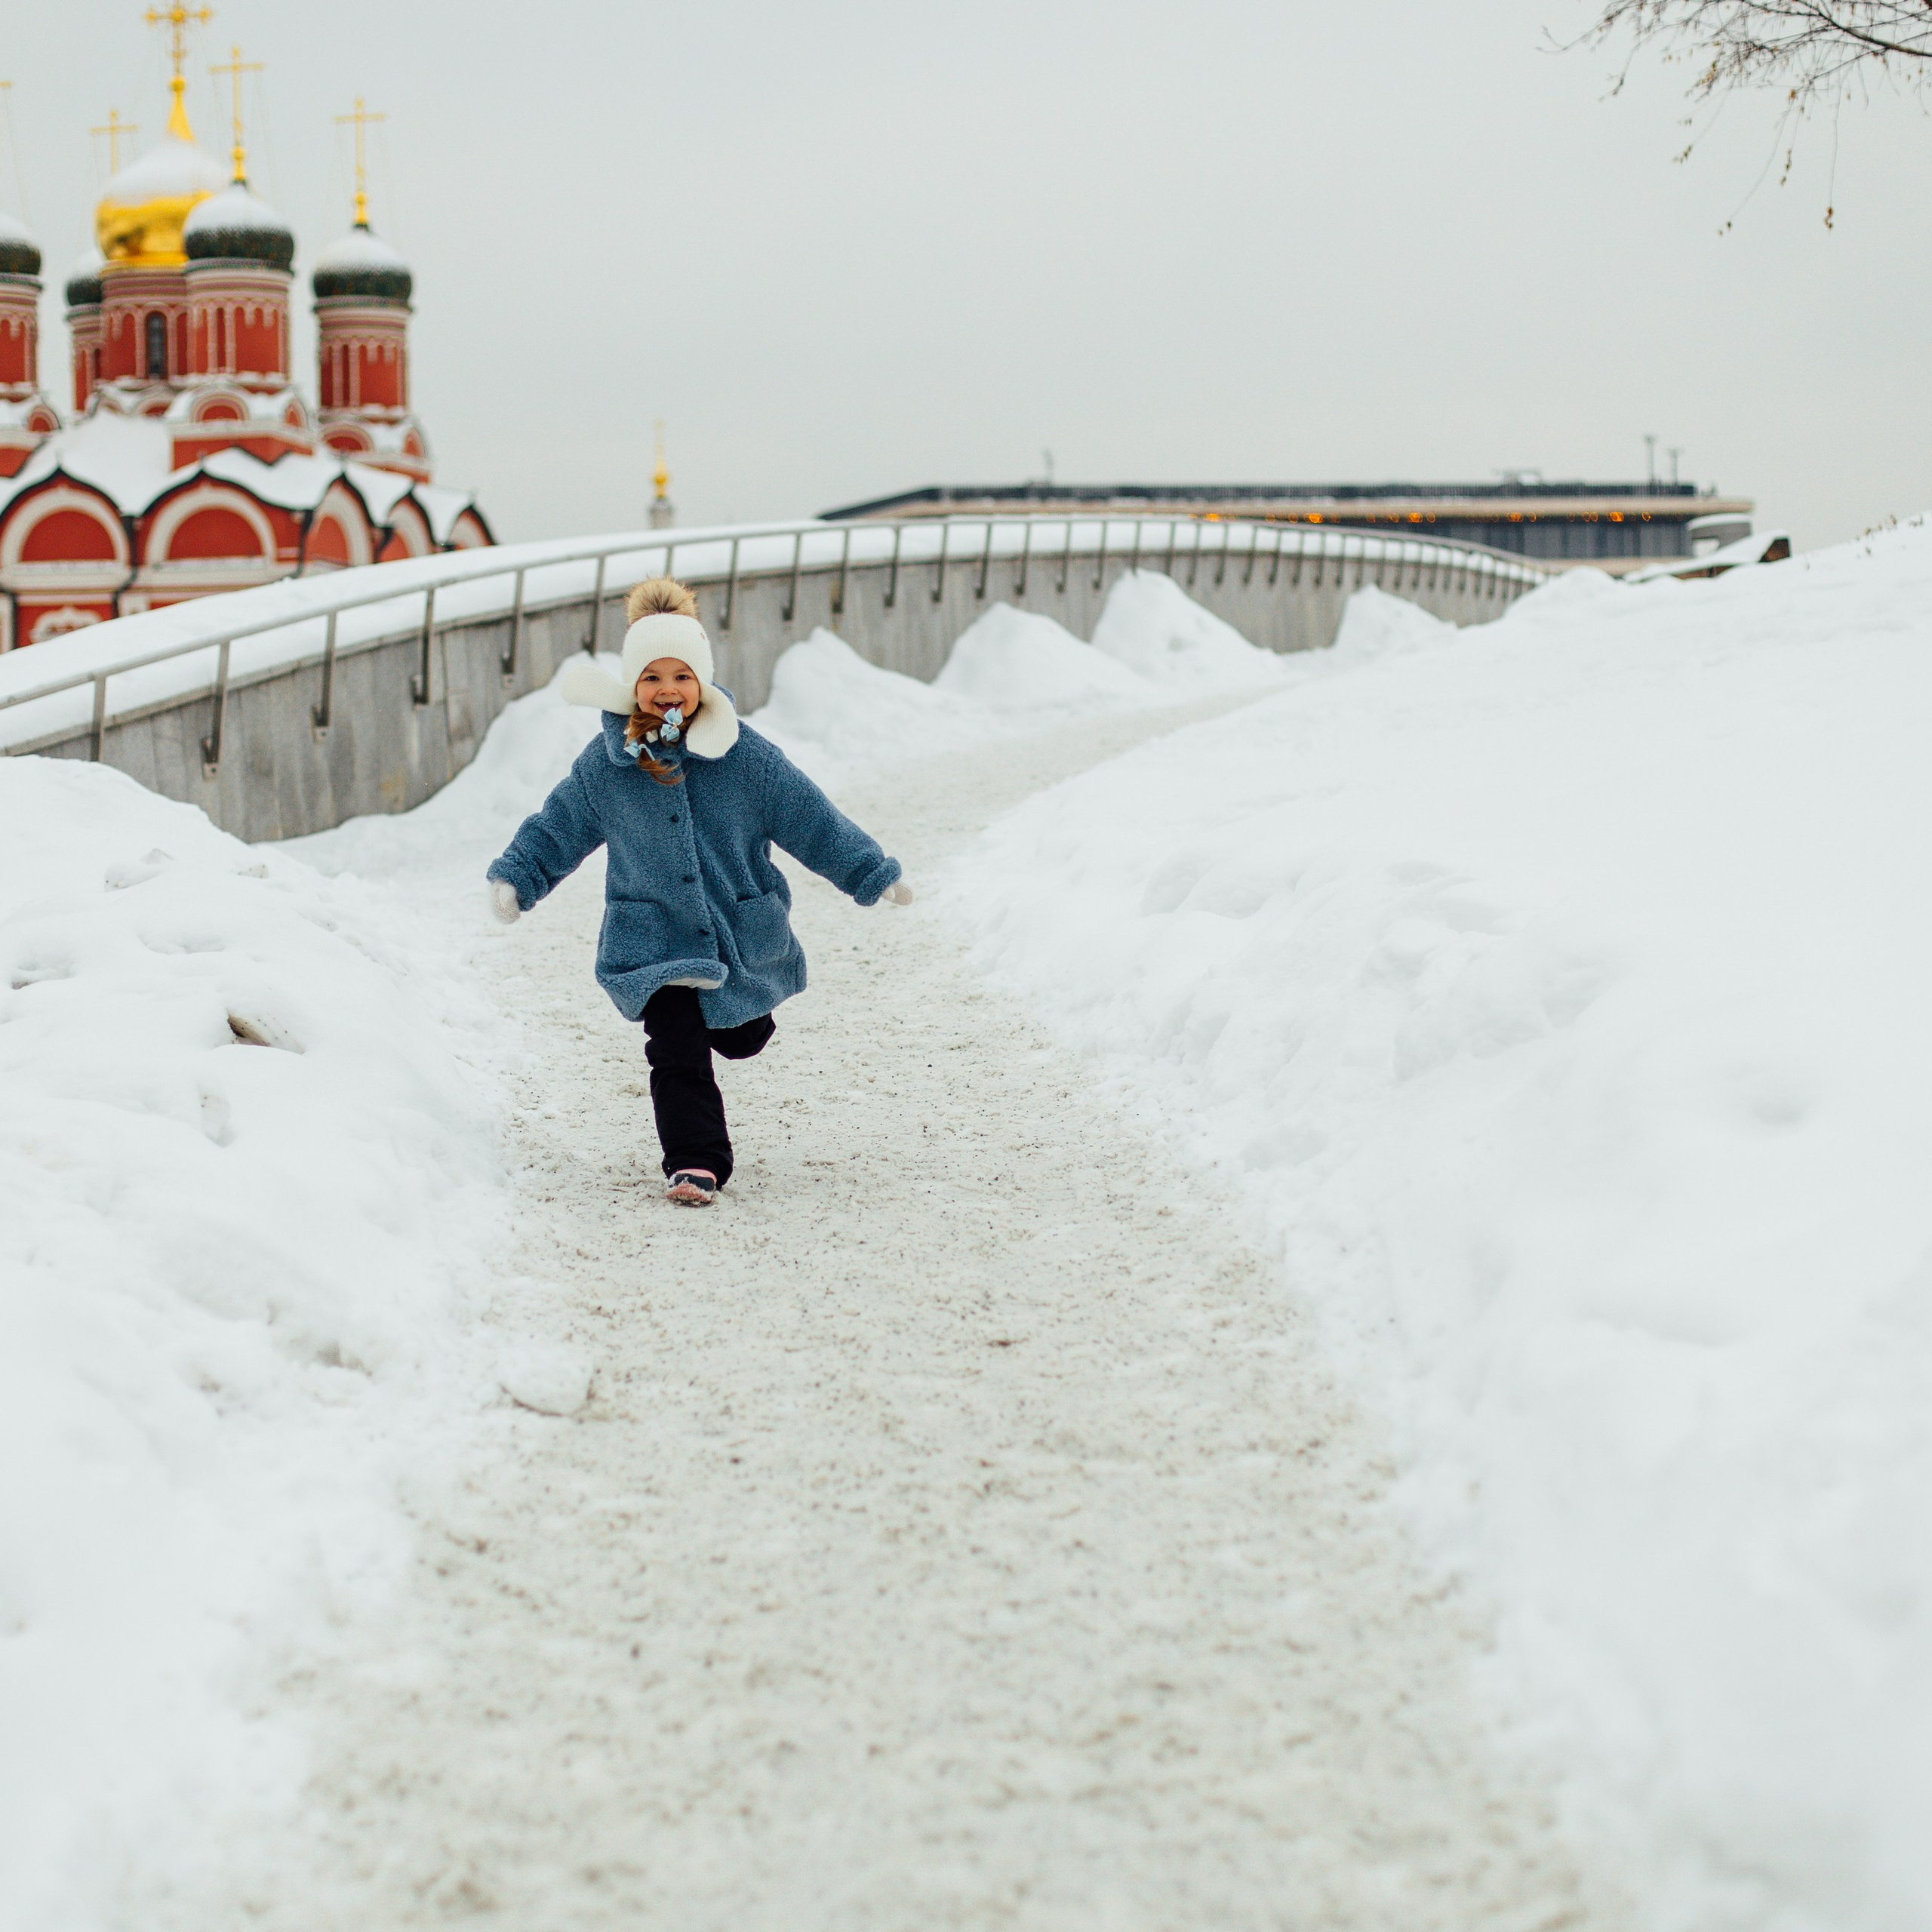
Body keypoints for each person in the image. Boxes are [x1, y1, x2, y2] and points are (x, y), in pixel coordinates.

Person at [486, 578, 912, 1206]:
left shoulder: (746, 758)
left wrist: (870, 872)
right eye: (652, 677)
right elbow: (559, 827)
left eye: (681, 676)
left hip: (738, 936)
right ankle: (695, 1161)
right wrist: (518, 877)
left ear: (703, 682)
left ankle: (734, 1017)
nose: (667, 690)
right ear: (633, 685)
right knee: (676, 1046)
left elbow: (811, 819)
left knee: (740, 1036)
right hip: (650, 941)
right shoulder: (606, 767)